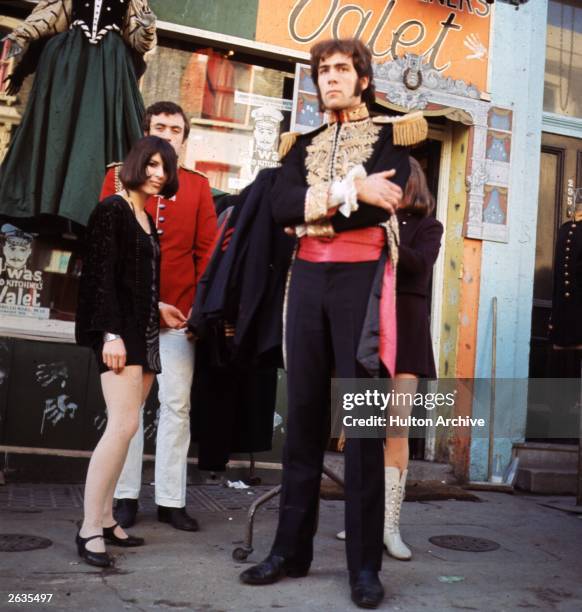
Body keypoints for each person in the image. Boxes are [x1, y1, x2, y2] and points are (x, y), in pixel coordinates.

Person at [239, 38, 427, 609]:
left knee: (364, 428)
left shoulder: (398, 135)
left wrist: (315, 212)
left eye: (343, 70)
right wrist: (349, 189)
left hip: (361, 283)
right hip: (308, 284)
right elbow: (278, 207)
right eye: (323, 72)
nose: (331, 79)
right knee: (301, 419)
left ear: (363, 79)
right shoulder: (302, 144)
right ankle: (290, 552)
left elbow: (382, 204)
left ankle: (364, 568)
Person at [101, 101, 218, 531]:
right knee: (128, 409)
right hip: (129, 317)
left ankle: (171, 500)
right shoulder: (117, 178)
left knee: (176, 407)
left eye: (175, 129)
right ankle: (125, 495)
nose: (167, 134)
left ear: (184, 139)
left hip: (179, 316)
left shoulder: (198, 186)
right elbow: (106, 253)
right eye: (159, 127)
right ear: (144, 132)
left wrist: (197, 312)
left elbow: (206, 252)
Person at [75, 136, 178, 568]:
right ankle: (87, 529)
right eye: (152, 165)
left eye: (165, 168)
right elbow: (98, 279)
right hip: (120, 335)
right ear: (136, 164)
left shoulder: (145, 217)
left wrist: (158, 307)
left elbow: (129, 279)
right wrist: (110, 334)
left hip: (145, 333)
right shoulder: (112, 210)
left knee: (128, 429)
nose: (158, 175)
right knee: (121, 426)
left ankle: (105, 517)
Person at [337, 157, 443, 561]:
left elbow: (420, 266)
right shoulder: (367, 221)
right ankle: (361, 519)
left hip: (408, 334)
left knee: (396, 430)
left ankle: (389, 526)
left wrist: (389, 234)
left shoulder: (427, 227)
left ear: (411, 184)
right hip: (368, 332)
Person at [0, 0, 157, 227]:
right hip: (70, 64)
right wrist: (21, 38)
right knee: (57, 131)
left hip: (109, 65)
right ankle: (47, 208)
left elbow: (139, 40)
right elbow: (51, 15)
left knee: (97, 135)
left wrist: (147, 27)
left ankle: (91, 210)